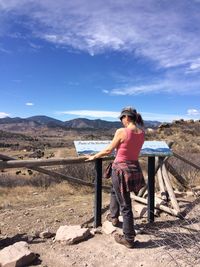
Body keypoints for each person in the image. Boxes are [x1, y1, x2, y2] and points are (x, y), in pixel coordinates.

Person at [86, 106, 145, 248]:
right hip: (134, 168)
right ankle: (114, 218)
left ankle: (129, 238)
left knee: (125, 205)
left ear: (126, 117)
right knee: (115, 191)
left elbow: (108, 150)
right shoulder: (142, 132)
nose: (121, 121)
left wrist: (94, 156)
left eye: (121, 118)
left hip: (120, 170)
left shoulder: (121, 131)